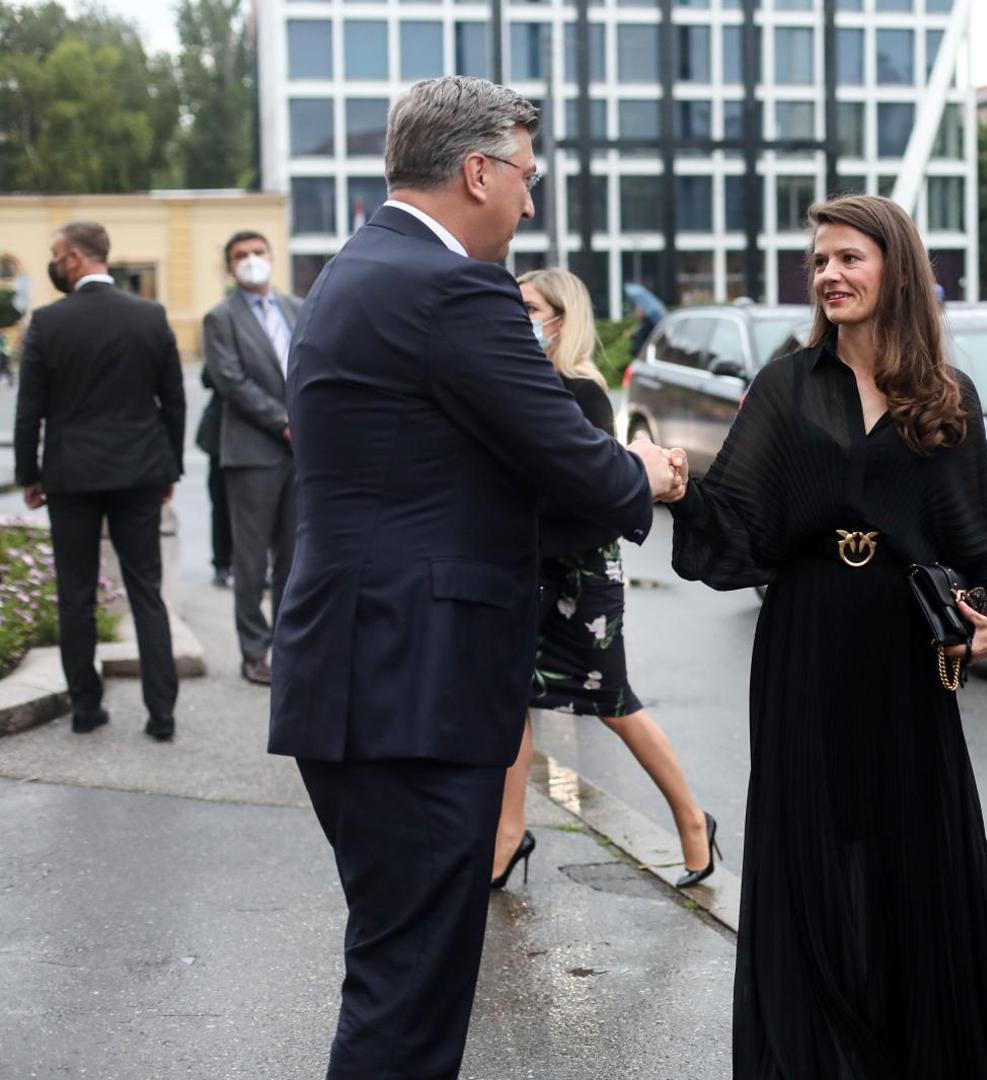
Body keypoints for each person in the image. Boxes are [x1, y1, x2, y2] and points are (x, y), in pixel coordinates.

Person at [268, 76, 680, 1079]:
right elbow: (564, 456)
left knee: (398, 976)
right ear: (477, 171)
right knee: (408, 1000)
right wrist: (648, 473)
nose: (531, 204)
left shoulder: (356, 269)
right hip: (414, 685)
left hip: (362, 676)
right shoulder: (451, 286)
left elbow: (448, 469)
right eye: (527, 180)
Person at [667, 193, 987, 1078]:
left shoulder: (947, 397)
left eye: (849, 259)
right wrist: (677, 489)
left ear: (895, 269)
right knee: (811, 849)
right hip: (806, 642)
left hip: (905, 658)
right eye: (820, 262)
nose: (830, 274)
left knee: (914, 853)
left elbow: (978, 541)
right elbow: (739, 529)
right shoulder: (787, 385)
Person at [492, 267, 716, 890]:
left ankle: (692, 820)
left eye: (530, 307)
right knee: (512, 700)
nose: (520, 317)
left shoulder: (582, 391)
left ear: (561, 318)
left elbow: (592, 493)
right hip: (528, 568)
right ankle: (507, 836)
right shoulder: (519, 384)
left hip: (580, 571)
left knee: (613, 702)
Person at [13, 222, 185, 740]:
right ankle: (162, 714)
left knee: (76, 593)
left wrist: (29, 475)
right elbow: (172, 401)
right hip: (139, 473)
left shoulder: (46, 323)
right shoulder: (150, 316)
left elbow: (30, 412)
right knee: (145, 592)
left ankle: (86, 707)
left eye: (54, 255)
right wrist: (168, 468)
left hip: (71, 476)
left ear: (71, 259)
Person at [201, 230, 303, 685]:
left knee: (294, 555)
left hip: (301, 452)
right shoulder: (220, 317)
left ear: (271, 256)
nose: (251, 261)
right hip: (252, 451)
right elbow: (230, 381)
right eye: (240, 255)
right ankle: (254, 650)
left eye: (258, 252)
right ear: (229, 268)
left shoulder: (297, 309)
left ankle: (289, 643)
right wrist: (284, 422)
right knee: (250, 559)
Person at [194, 366, 233, 589]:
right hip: (220, 436)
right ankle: (222, 563)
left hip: (261, 436)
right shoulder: (225, 333)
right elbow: (208, 376)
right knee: (220, 503)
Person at [623, 281, 667, 357]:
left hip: (642, 355)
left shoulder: (649, 322)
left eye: (638, 308)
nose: (636, 310)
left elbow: (642, 336)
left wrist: (631, 335)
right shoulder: (644, 321)